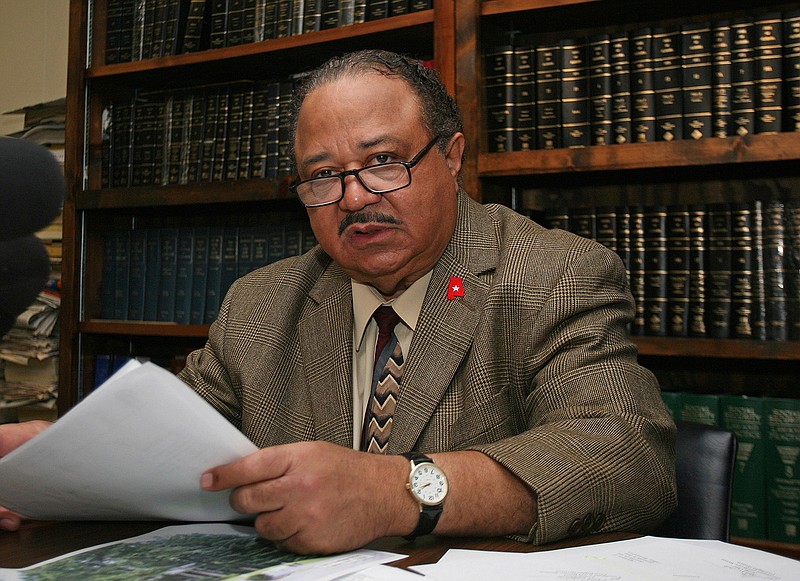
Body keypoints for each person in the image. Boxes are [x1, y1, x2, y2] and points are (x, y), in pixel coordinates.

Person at [1, 50, 676, 554]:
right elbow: (172, 450)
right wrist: (56, 465)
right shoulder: (260, 303)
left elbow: (623, 458)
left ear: (451, 156)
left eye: (383, 160)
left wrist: (395, 490)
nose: (354, 197)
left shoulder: (554, 274)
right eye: (323, 175)